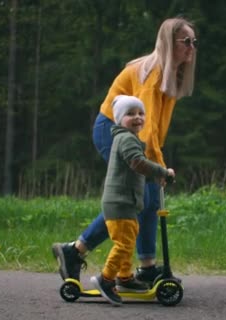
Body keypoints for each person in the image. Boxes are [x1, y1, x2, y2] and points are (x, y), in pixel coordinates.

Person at [52, 16, 197, 285]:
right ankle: (86, 253)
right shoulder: (153, 75)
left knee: (146, 197)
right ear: (168, 42)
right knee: (133, 196)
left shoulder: (171, 75)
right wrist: (158, 169)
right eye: (185, 41)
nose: (191, 46)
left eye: (194, 42)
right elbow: (145, 127)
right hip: (113, 128)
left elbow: (156, 131)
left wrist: (158, 165)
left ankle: (137, 264)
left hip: (133, 131)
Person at [90, 95, 175, 305]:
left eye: (140, 113)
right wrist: (162, 172)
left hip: (123, 203)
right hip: (120, 203)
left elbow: (136, 169)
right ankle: (106, 279)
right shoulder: (127, 139)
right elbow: (138, 163)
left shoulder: (126, 138)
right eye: (130, 114)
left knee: (127, 240)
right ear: (119, 119)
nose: (137, 118)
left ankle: (125, 278)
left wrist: (156, 175)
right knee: (124, 243)